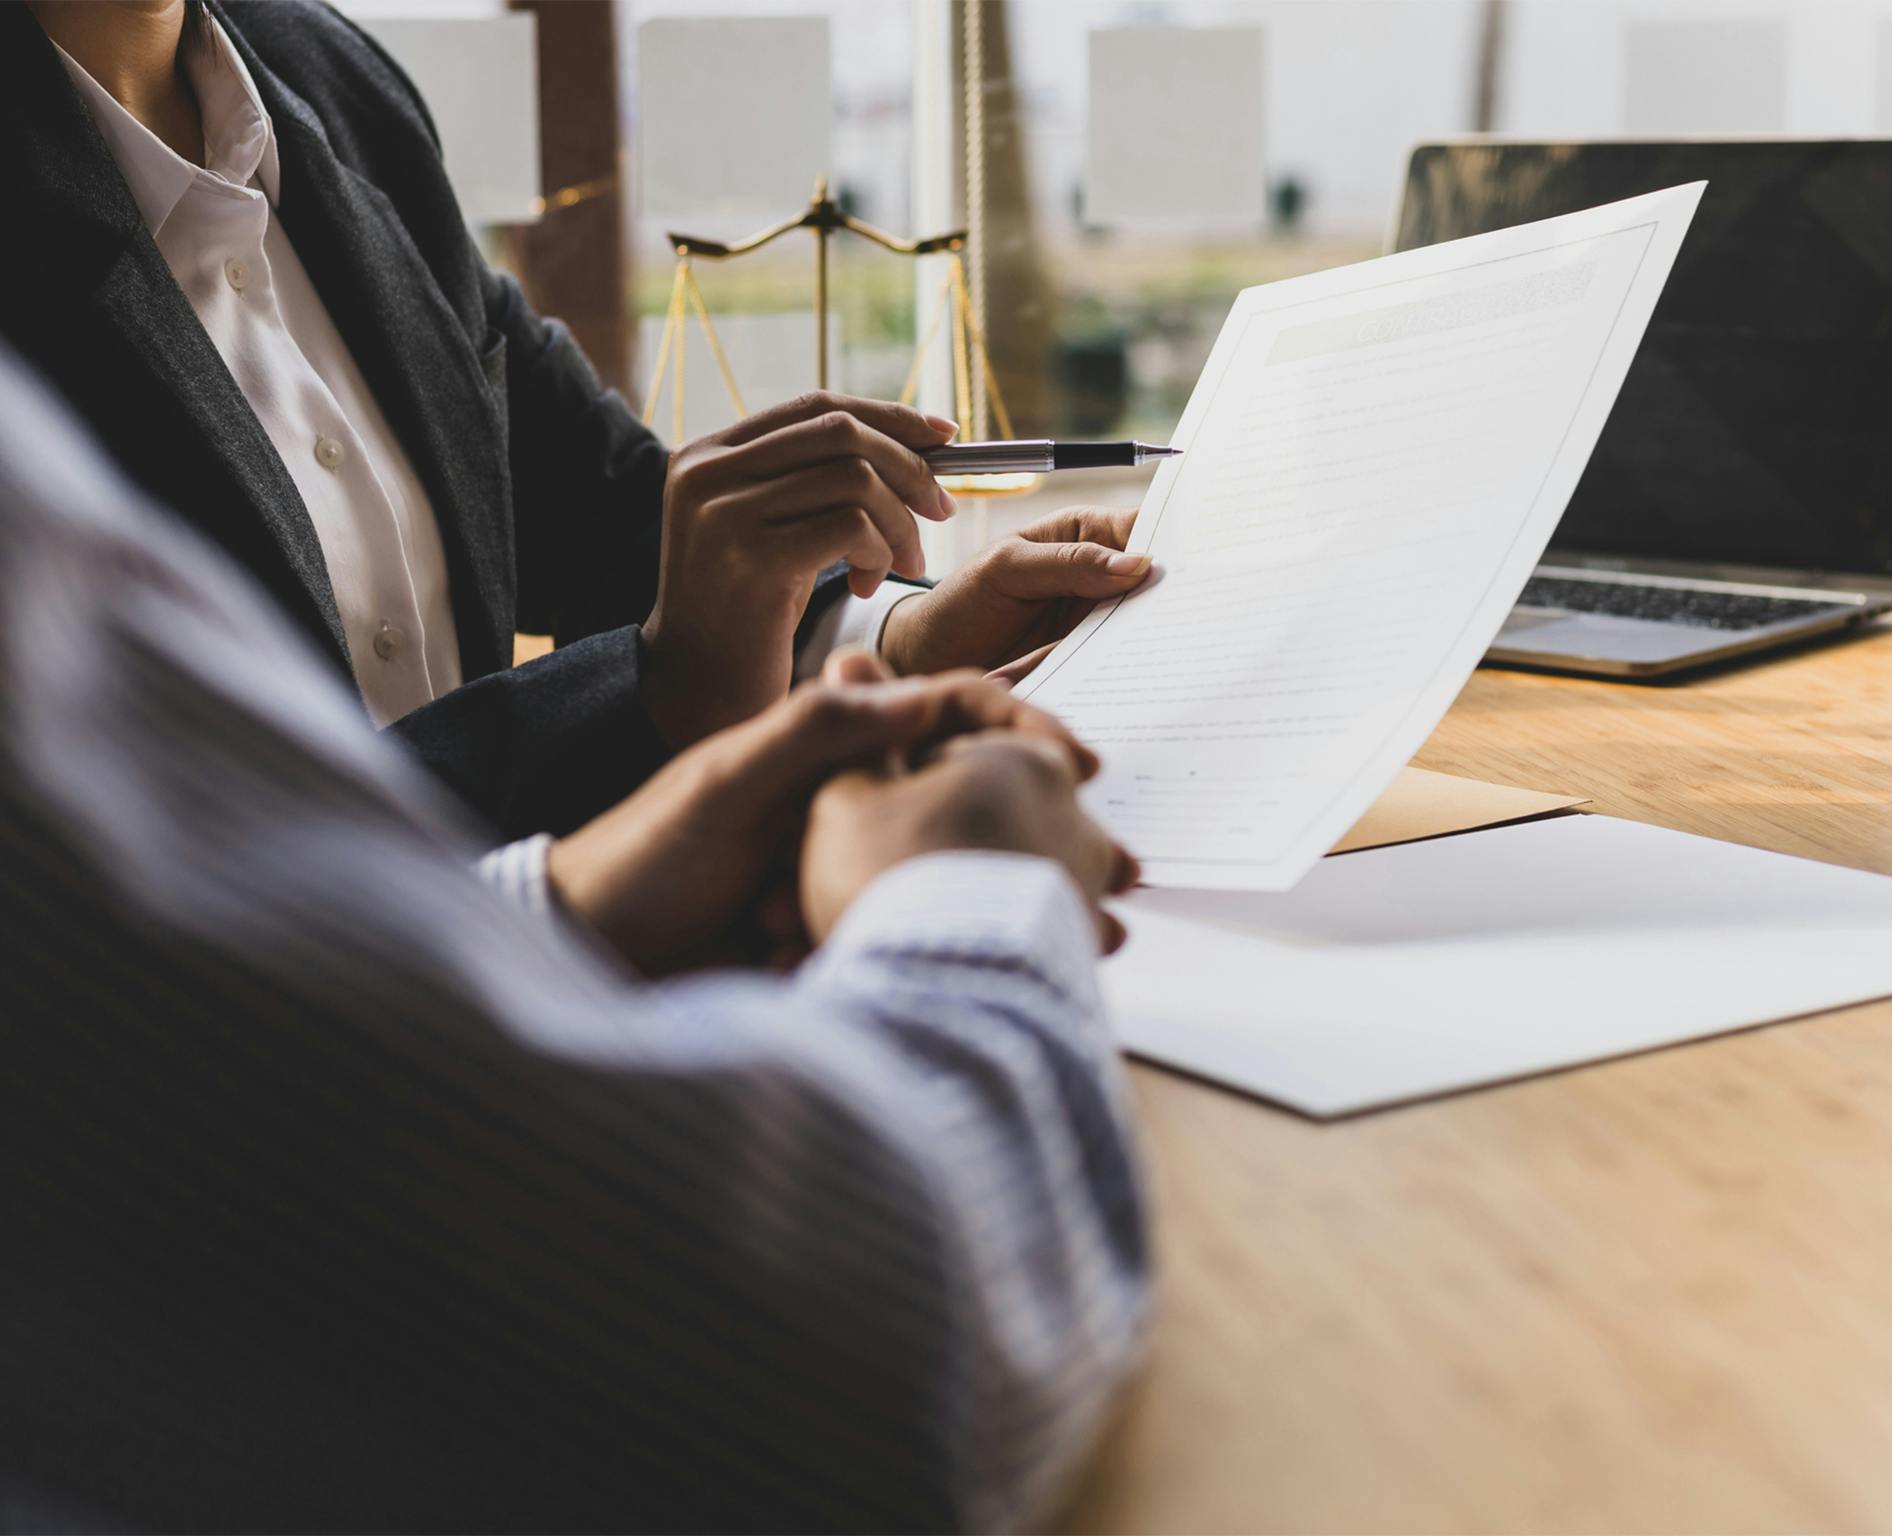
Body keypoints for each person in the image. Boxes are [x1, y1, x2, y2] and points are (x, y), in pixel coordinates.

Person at [0, 340, 1149, 1530]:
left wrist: (568, 897)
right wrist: (967, 888)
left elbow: (180, 1001)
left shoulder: (348, 148)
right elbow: (834, 1346)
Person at [1, 0, 1152, 840]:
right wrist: (658, 690)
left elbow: (598, 513)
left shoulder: (326, 80)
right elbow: (215, 839)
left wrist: (892, 645)